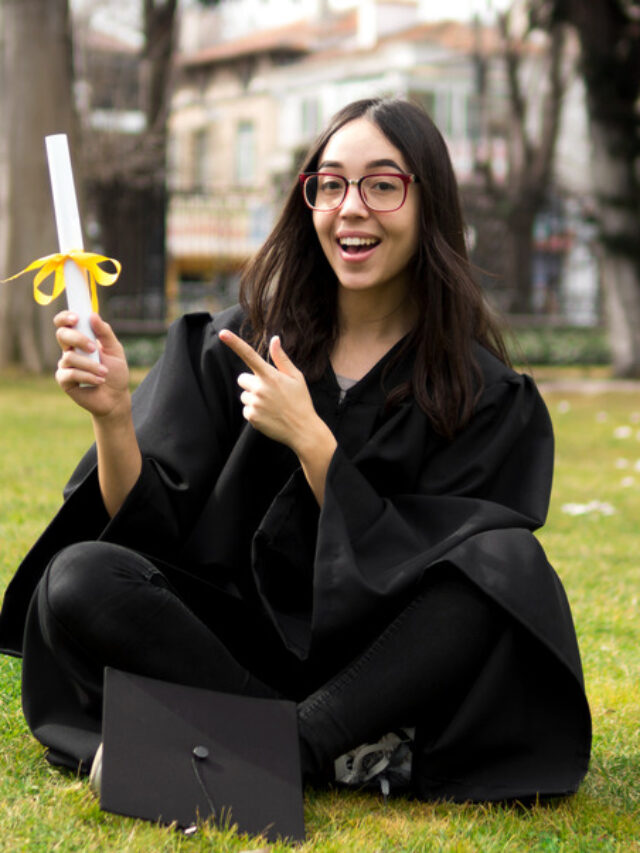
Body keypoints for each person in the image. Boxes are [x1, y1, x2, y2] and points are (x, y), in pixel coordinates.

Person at [0, 97, 590, 802]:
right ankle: (312, 750)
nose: (351, 207)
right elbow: (152, 532)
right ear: (307, 200)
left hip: (384, 669)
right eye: (330, 183)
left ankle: (278, 748)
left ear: (428, 203)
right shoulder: (236, 344)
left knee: (506, 563)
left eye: (382, 184)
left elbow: (436, 572)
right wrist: (115, 418)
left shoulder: (479, 391)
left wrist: (315, 445)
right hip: (235, 652)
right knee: (78, 576)